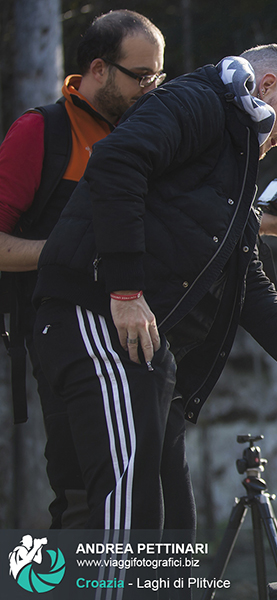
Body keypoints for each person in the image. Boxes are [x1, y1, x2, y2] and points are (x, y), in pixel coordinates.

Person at [31, 44, 277, 534]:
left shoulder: (236, 160)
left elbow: (250, 284)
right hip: (95, 317)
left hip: (146, 344)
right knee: (123, 512)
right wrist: (126, 292)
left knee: (173, 522)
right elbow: (116, 162)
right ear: (266, 87)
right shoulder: (198, 100)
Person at [0, 9, 165, 529]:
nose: (151, 88)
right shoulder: (40, 132)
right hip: (65, 339)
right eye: (141, 76)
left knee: (144, 499)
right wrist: (67, 252)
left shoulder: (150, 131)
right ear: (98, 69)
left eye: (158, 76)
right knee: (84, 500)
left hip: (140, 341)